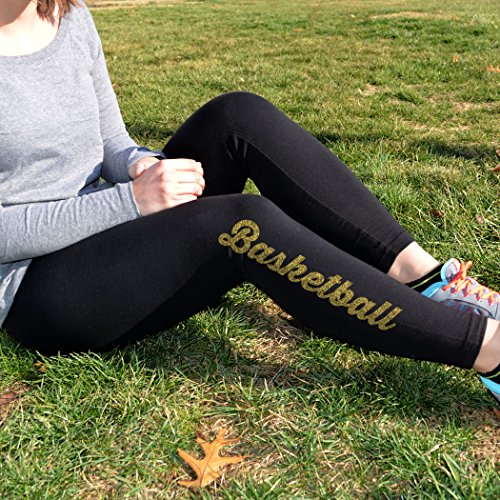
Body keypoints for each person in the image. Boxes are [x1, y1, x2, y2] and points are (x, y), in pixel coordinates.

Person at [1, 0, 499, 404]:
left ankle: (427, 280)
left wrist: (140, 164)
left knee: (236, 117)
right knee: (242, 224)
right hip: (40, 287)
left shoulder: (66, 14)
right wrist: (129, 202)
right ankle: (490, 352)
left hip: (114, 222)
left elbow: (111, 139)